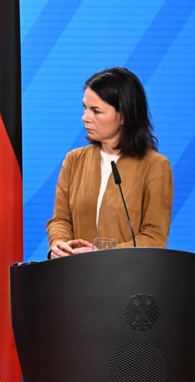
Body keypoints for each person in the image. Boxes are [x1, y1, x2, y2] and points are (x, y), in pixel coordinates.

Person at [47, 67, 173, 258]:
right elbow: (60, 220)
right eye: (85, 108)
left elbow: (154, 237)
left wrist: (102, 255)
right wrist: (59, 245)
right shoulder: (74, 160)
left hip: (126, 280)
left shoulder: (155, 166)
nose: (85, 118)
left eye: (96, 111)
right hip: (74, 276)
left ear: (123, 116)